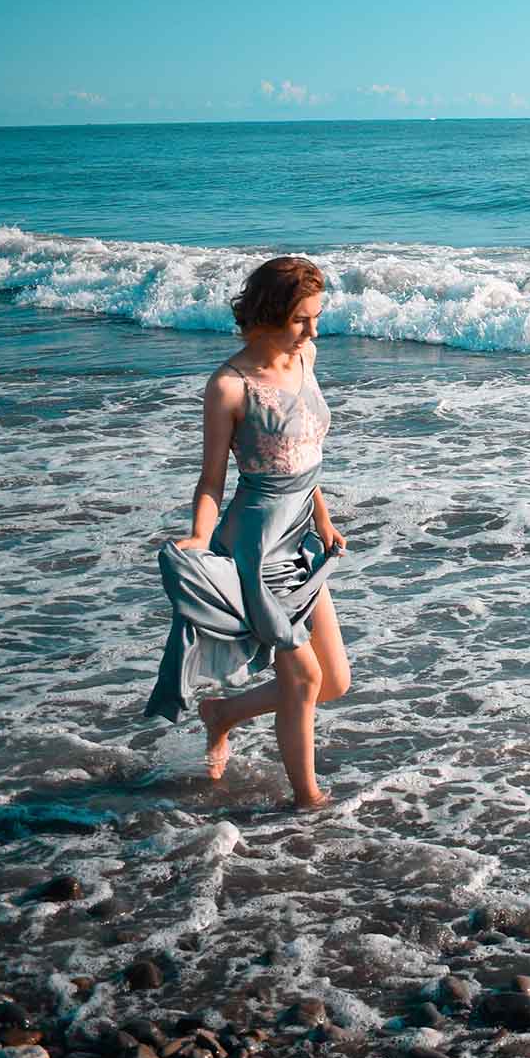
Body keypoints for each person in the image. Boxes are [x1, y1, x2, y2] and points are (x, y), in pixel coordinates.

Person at [145, 256, 352, 808]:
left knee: (334, 682)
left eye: (316, 317)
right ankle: (308, 801)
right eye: (301, 320)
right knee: (303, 679)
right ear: (266, 314)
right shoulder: (229, 386)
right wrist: (198, 536)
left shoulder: (305, 358)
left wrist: (323, 518)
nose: (312, 331)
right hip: (256, 552)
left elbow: (305, 454)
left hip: (300, 542)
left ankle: (223, 713)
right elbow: (212, 480)